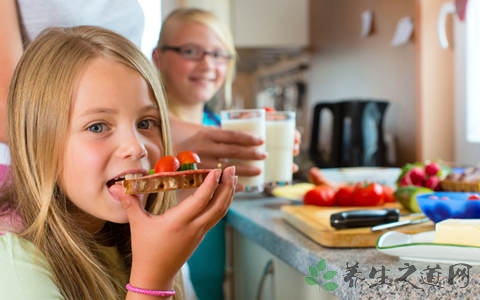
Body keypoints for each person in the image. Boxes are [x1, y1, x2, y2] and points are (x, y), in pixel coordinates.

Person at [0, 25, 236, 299]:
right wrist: (152, 281)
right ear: (39, 144)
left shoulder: (126, 241)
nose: (136, 147)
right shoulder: (13, 266)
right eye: (98, 127)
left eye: (146, 123)